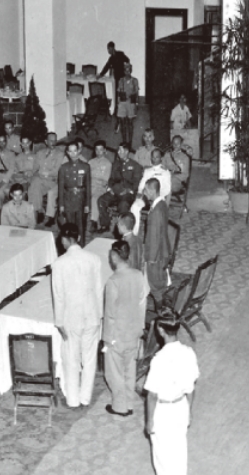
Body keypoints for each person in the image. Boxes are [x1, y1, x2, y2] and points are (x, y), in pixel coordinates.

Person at [51, 223, 104, 409]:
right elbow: (98, 290)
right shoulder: (94, 259)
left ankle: (73, 399)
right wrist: (99, 315)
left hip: (71, 318)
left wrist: (59, 322)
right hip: (92, 315)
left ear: (64, 240)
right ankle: (85, 397)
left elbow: (58, 296)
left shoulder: (59, 264)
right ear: (79, 238)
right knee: (89, 358)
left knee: (71, 359)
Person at [144, 310, 199, 475]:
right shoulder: (189, 352)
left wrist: (149, 421)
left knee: (162, 456)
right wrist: (189, 411)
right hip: (181, 406)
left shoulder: (158, 359)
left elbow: (152, 396)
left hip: (163, 411)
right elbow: (191, 388)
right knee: (179, 451)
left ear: (161, 330)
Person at [103, 240, 149, 417]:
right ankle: (129, 402)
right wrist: (140, 328)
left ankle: (119, 406)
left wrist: (107, 339)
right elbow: (142, 303)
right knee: (130, 369)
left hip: (117, 335)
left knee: (114, 372)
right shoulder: (138, 275)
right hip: (134, 331)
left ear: (114, 257)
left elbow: (110, 314)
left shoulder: (113, 281)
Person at [97, 142, 143, 233]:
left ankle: (122, 230)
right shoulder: (115, 164)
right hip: (115, 192)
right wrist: (111, 188)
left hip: (128, 194)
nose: (118, 152)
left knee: (123, 204)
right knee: (101, 200)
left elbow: (136, 184)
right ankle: (105, 224)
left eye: (120, 150)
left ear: (126, 151)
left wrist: (128, 190)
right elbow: (111, 179)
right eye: (118, 150)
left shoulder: (136, 166)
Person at [28, 132, 67, 227]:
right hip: (41, 180)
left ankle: (43, 214)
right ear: (46, 141)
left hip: (53, 181)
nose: (53, 143)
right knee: (34, 185)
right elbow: (35, 167)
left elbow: (57, 170)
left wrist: (42, 173)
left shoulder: (60, 154)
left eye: (55, 140)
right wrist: (30, 173)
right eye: (51, 141)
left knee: (35, 184)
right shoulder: (39, 153)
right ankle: (38, 210)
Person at [142, 178, 171, 302]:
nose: (144, 192)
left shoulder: (156, 212)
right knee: (160, 281)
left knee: (155, 285)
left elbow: (154, 237)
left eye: (146, 190)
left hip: (157, 255)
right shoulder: (162, 204)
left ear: (152, 191)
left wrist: (151, 259)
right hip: (163, 249)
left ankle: (160, 309)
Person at [132, 149, 171, 235]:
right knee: (134, 207)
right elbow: (141, 185)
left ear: (161, 158)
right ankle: (134, 233)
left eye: (157, 157)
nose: (154, 159)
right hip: (146, 196)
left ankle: (152, 234)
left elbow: (167, 189)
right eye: (153, 157)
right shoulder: (147, 170)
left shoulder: (165, 172)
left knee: (153, 213)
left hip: (158, 197)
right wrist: (140, 193)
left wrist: (157, 195)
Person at [58, 140, 91, 241]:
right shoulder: (63, 168)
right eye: (70, 151)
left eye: (75, 151)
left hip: (81, 200)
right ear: (67, 152)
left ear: (79, 151)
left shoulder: (85, 166)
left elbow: (88, 186)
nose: (73, 154)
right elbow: (61, 188)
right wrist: (61, 205)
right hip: (68, 200)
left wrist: (87, 204)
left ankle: (81, 245)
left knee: (81, 225)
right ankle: (70, 245)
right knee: (69, 225)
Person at [99, 41, 130, 131]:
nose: (108, 50)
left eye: (109, 49)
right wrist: (100, 75)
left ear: (112, 48)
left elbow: (127, 60)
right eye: (107, 49)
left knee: (122, 97)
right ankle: (119, 116)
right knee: (118, 97)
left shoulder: (120, 54)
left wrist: (125, 69)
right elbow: (106, 66)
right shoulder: (111, 58)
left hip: (122, 79)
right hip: (117, 80)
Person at [88, 140, 113, 233]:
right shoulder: (90, 162)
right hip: (90, 186)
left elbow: (104, 180)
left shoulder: (108, 164)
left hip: (100, 188)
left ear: (105, 150)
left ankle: (93, 222)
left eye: (101, 150)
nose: (98, 152)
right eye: (96, 150)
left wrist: (94, 178)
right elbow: (86, 176)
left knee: (95, 198)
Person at [116, 63, 139, 146]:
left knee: (130, 123)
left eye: (128, 71)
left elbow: (136, 93)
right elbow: (119, 93)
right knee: (122, 123)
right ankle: (124, 141)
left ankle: (130, 142)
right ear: (124, 71)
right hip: (122, 103)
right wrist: (118, 104)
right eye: (125, 71)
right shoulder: (121, 80)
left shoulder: (135, 80)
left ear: (131, 71)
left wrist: (136, 104)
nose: (127, 73)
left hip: (131, 103)